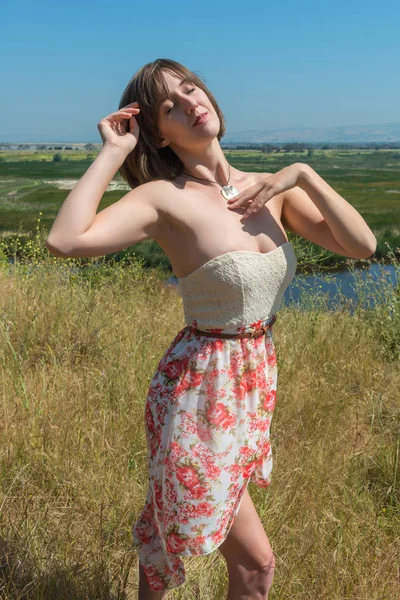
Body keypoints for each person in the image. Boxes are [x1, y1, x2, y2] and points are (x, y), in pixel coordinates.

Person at [46, 58, 377, 600]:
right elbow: (64, 240)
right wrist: (113, 152)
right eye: (169, 106)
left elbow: (362, 246)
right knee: (252, 563)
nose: (190, 102)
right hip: (197, 391)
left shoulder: (269, 190)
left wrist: (303, 174)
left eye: (191, 88)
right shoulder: (163, 199)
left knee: (178, 540)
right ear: (157, 132)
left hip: (253, 388)